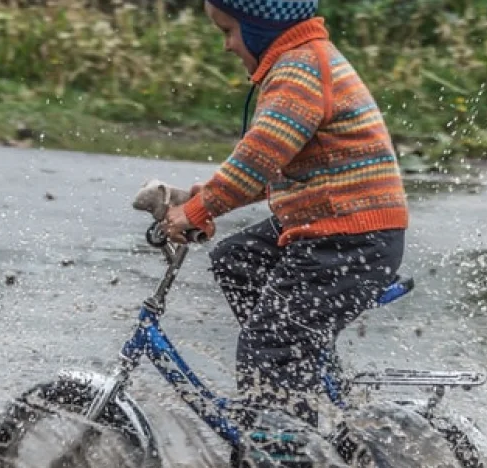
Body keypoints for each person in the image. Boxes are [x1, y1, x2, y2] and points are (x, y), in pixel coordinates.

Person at [162, 0, 409, 430]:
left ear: (260, 26)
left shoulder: (300, 70)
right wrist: (212, 198)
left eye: (229, 31)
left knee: (270, 345)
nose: (227, 46)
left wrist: (199, 209)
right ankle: (305, 373)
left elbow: (259, 157)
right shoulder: (301, 61)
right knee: (237, 260)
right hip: (336, 228)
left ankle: (290, 441)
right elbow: (275, 167)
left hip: (348, 237)